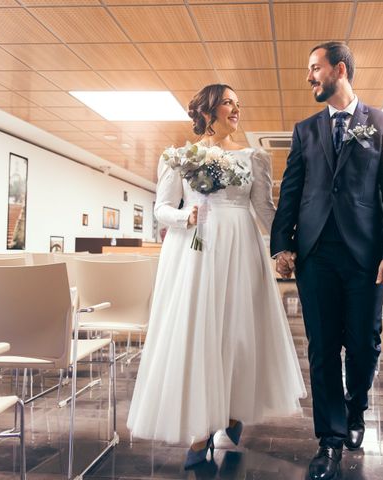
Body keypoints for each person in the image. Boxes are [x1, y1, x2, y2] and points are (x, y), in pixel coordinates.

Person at [127, 83, 306, 469]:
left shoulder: (254, 157)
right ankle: (201, 426)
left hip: (241, 248)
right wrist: (183, 216)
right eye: (228, 102)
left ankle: (232, 410)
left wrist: (284, 248)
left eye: (239, 104)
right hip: (197, 248)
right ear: (208, 110)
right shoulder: (178, 156)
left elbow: (265, 210)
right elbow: (160, 208)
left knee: (238, 331)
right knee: (199, 331)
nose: (236, 110)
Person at [270, 42, 383, 480]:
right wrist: (282, 245)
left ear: (340, 70)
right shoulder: (305, 130)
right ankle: (329, 440)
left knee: (364, 344)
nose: (309, 77)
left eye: (315, 68)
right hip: (317, 255)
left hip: (367, 257)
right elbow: (291, 191)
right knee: (323, 348)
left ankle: (356, 407)